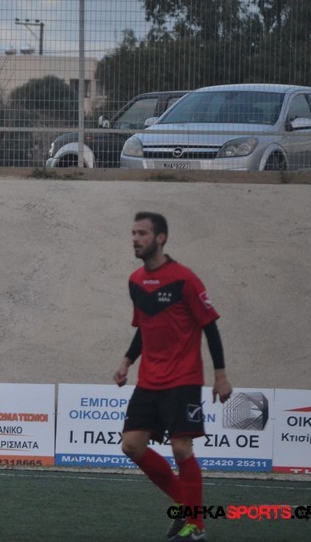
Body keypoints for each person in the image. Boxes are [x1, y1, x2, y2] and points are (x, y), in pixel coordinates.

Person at [113, 212, 233, 542]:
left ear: (161, 238)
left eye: (142, 233)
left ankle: (197, 527)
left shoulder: (185, 279)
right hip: (148, 380)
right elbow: (144, 328)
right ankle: (187, 505)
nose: (135, 239)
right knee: (131, 445)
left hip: (183, 378)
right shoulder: (135, 281)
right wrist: (126, 361)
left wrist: (221, 376)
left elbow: (210, 326)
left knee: (182, 449)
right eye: (133, 233)